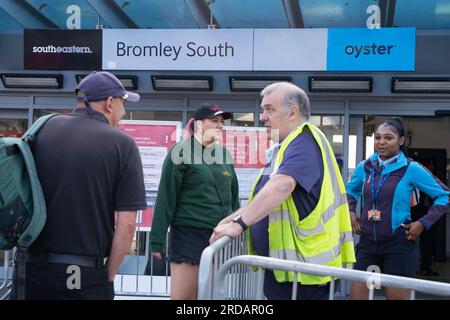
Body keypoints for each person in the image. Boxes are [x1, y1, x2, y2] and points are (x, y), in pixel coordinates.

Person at [209, 82, 355, 300]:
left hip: (303, 274)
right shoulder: (285, 148)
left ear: (293, 112)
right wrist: (228, 222)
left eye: (269, 109)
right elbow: (261, 200)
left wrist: (239, 225)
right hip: (289, 271)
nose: (263, 117)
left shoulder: (303, 142)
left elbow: (282, 186)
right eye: (262, 110)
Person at [11, 71, 147, 299]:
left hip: (30, 268)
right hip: (80, 273)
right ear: (109, 103)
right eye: (123, 103)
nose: (124, 111)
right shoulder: (122, 144)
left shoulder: (41, 129)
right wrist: (108, 273)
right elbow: (127, 224)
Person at [346, 118, 450, 300]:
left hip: (399, 245)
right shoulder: (365, 167)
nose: (381, 142)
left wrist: (423, 223)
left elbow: (444, 195)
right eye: (377, 137)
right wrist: (351, 211)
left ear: (401, 141)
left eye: (388, 138)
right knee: (358, 296)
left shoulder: (411, 168)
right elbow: (350, 191)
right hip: (368, 244)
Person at [149, 103, 240, 300]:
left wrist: (237, 230)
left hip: (217, 238)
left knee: (208, 298)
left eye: (221, 121)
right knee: (184, 299)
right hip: (187, 236)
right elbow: (166, 197)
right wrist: (156, 240)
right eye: (214, 121)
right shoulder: (180, 152)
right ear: (199, 124)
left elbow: (233, 199)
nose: (220, 125)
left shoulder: (224, 154)